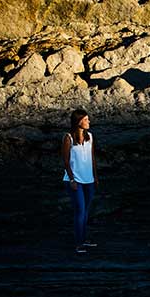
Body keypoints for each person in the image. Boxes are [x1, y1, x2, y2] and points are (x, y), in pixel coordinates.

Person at [61, 108, 98, 254]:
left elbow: (92, 158)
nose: (88, 122)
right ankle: (79, 243)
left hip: (89, 179)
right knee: (80, 211)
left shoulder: (90, 137)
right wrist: (71, 179)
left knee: (86, 211)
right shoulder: (68, 137)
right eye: (86, 119)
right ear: (78, 122)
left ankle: (84, 238)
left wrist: (95, 176)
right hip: (75, 180)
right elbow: (65, 160)